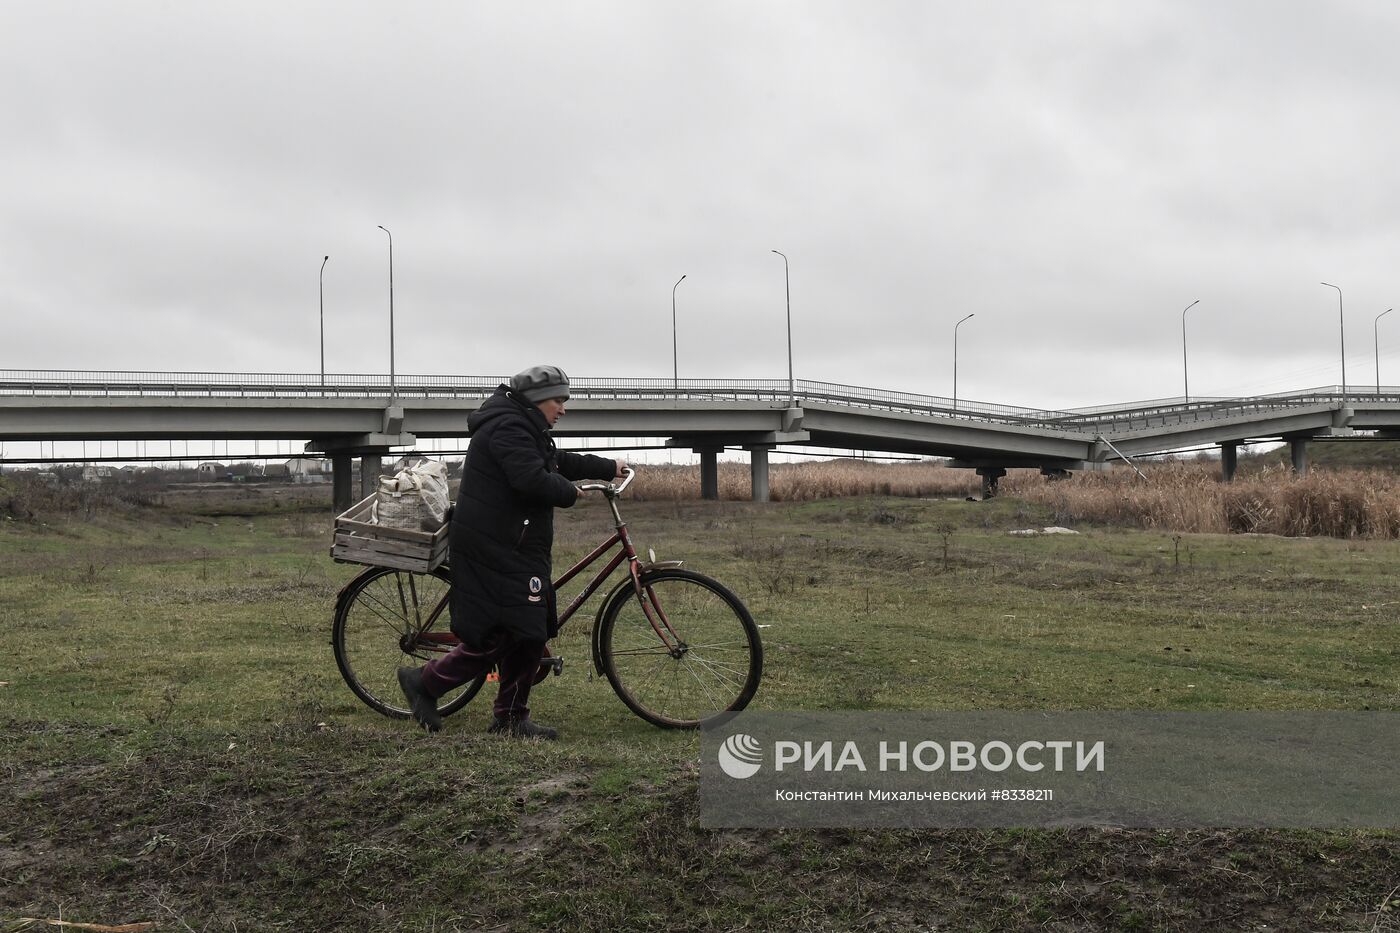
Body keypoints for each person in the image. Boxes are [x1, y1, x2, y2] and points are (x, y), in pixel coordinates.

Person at [397, 365, 623, 739]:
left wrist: (607, 466)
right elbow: (530, 478)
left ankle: (510, 718)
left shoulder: (523, 426)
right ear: (536, 400)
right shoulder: (509, 428)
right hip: (493, 545)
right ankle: (425, 682)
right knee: (505, 633)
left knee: (529, 631)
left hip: (513, 541)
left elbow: (554, 462)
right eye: (558, 400)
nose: (563, 409)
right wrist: (569, 493)